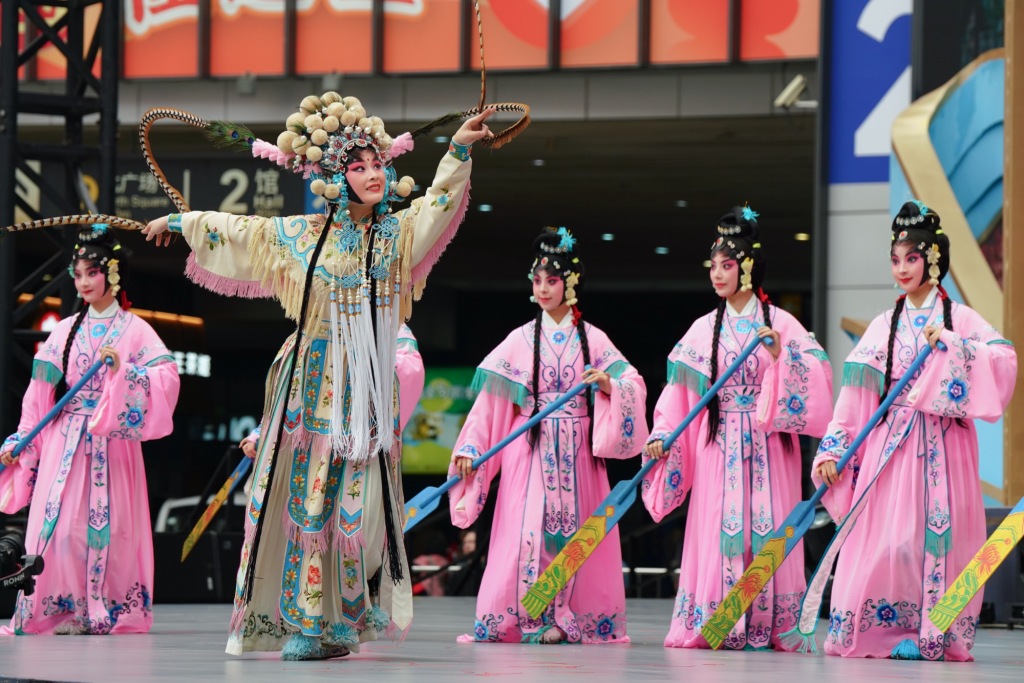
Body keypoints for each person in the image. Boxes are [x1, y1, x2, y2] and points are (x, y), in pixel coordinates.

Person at [142, 91, 493, 660]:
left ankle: (342, 621)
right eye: (360, 167)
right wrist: (179, 221)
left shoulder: (395, 236)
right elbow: (239, 230)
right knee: (303, 501)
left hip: (366, 393)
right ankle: (303, 619)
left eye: (379, 164)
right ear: (335, 176)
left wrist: (457, 150)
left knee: (357, 506)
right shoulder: (303, 237)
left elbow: (439, 205)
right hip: (309, 388)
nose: (375, 174)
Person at [811, 200, 1017, 661]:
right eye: (895, 259)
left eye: (912, 258)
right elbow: (856, 395)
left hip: (944, 448)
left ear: (934, 261)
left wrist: (951, 344)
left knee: (935, 539)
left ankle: (934, 632)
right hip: (890, 450)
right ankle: (880, 630)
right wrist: (834, 449)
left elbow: (1004, 361)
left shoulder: (960, 319)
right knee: (888, 542)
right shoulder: (885, 326)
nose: (901, 268)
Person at [641, 205, 834, 650]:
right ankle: (720, 619)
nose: (717, 274)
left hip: (769, 442)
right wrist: (662, 434)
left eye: (727, 265)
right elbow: (679, 394)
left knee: (764, 528)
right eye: (714, 266)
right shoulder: (703, 329)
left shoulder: (780, 323)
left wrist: (783, 356)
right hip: (718, 441)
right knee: (723, 529)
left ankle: (768, 623)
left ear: (748, 267)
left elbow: (819, 376)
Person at [449, 227, 649, 644]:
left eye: (552, 280)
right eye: (537, 280)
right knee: (529, 533)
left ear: (570, 283)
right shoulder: (519, 341)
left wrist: (611, 388)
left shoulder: (593, 338)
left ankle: (571, 616)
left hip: (578, 452)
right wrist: (472, 448)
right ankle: (528, 617)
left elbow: (633, 381)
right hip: (530, 448)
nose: (542, 288)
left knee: (577, 533)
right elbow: (490, 406)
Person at [0, 224, 181, 635]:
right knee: (60, 529)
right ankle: (61, 608)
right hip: (65, 439)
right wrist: (21, 442)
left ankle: (108, 609)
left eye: (92, 272)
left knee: (113, 530)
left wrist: (125, 372)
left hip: (112, 442)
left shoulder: (136, 330)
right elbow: (38, 397)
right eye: (77, 274)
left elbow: (167, 377)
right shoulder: (63, 331)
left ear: (112, 275)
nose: (83, 282)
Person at [239, 324, 424, 459]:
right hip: (306, 443)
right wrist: (260, 433)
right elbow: (289, 386)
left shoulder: (387, 321)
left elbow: (409, 373)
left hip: (360, 443)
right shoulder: (313, 322)